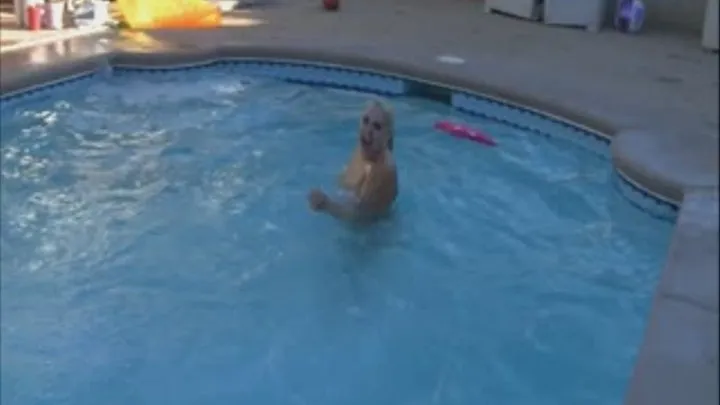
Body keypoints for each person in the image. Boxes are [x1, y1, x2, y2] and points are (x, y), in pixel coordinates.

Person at [308, 100, 398, 221]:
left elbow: (360, 219)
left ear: (387, 135)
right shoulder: (364, 148)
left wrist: (326, 205)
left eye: (377, 127)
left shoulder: (383, 172)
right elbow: (345, 183)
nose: (368, 130)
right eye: (366, 121)